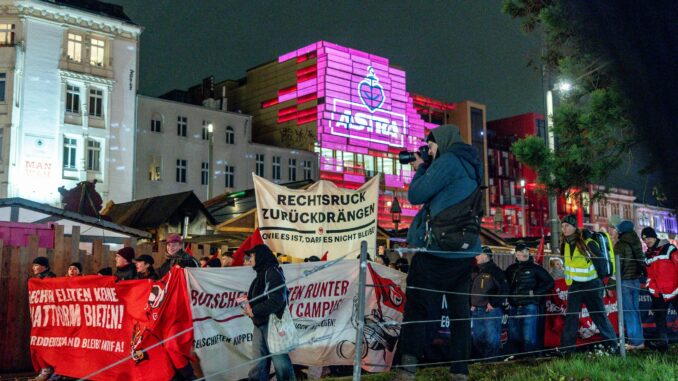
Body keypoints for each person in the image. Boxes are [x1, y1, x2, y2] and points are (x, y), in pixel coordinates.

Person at [397, 124, 482, 381]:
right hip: (463, 252)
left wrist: (422, 168)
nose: (430, 151)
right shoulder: (470, 164)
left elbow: (416, 194)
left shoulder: (448, 162)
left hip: (437, 251)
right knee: (459, 314)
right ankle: (459, 370)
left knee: (416, 308)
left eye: (431, 146)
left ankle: (407, 367)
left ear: (442, 143)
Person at [560, 214, 618, 353]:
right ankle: (567, 350)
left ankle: (613, 346)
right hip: (575, 285)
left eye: (567, 226)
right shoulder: (565, 244)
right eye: (562, 226)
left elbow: (601, 263)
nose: (564, 229)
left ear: (574, 227)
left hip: (592, 284)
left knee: (599, 316)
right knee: (571, 318)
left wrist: (601, 280)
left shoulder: (588, 241)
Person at [241, 244, 296, 381]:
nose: (250, 259)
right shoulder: (261, 274)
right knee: (259, 364)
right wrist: (249, 305)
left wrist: (254, 310)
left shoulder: (272, 273)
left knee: (280, 363)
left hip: (272, 324)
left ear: (260, 256)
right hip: (261, 323)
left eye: (252, 255)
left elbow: (277, 300)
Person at [505, 243, 554, 353]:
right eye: (522, 251)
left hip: (529, 305)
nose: (525, 253)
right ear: (516, 254)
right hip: (514, 306)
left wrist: (535, 293)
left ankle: (531, 359)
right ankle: (518, 360)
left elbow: (550, 282)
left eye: (526, 251)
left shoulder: (536, 268)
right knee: (514, 336)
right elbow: (505, 284)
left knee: (529, 337)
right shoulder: (511, 269)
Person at [641, 227, 678, 352]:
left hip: (675, 290)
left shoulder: (669, 248)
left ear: (655, 236)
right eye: (644, 239)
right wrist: (652, 289)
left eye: (649, 238)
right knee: (659, 319)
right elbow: (649, 275)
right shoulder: (648, 255)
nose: (647, 241)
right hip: (659, 293)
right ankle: (663, 345)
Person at [470, 246, 509, 359]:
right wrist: (471, 302)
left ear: (486, 256)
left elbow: (504, 289)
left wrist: (493, 303)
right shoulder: (475, 270)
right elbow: (469, 287)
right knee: (478, 338)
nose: (476, 256)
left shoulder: (495, 271)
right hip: (476, 309)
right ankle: (483, 362)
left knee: (491, 339)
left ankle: (491, 364)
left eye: (478, 254)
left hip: (490, 310)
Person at [614, 220, 646, 350]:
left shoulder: (620, 245)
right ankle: (639, 340)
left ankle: (635, 343)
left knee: (628, 312)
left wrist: (612, 284)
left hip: (625, 281)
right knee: (635, 310)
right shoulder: (636, 242)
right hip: (635, 280)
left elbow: (618, 266)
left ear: (621, 231)